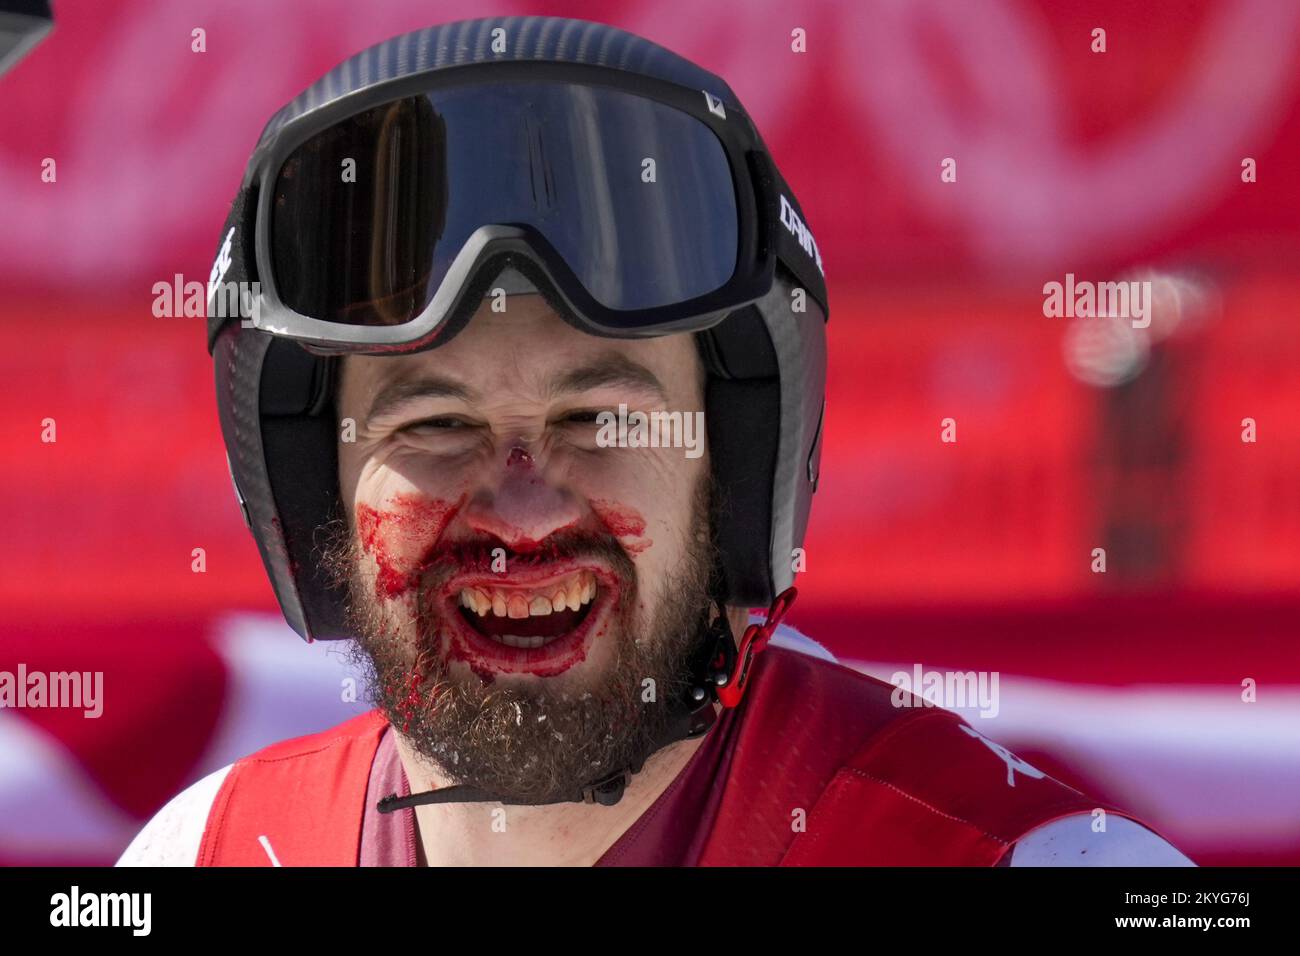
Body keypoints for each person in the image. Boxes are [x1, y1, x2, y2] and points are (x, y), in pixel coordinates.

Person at [118, 15, 1192, 867]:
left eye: (601, 420)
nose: (522, 513)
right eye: (435, 424)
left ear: (731, 472)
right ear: (317, 492)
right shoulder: (200, 851)